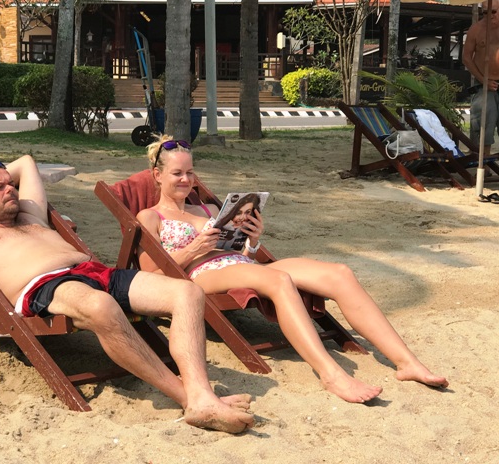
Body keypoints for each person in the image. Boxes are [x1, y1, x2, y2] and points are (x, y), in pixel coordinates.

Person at [0, 155, 254, 434]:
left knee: (187, 292)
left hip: (94, 271)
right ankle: (189, 399)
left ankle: (202, 393)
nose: (10, 189)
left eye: (10, 184)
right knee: (101, 306)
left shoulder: (31, 214)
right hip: (45, 285)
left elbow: (27, 162)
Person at [136, 136, 449, 404]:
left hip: (238, 264)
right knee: (278, 279)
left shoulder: (209, 208)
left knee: (339, 273)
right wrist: (194, 249)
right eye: (177, 173)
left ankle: (407, 363)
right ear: (157, 175)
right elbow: (152, 278)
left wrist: (252, 240)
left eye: (190, 172)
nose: (186, 179)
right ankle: (331, 374)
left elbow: (240, 254)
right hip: (201, 275)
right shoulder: (150, 217)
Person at [463, 0, 499, 158]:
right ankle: (484, 164)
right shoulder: (476, 29)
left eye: (493, 11)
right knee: (484, 126)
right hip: (484, 83)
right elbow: (466, 58)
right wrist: (483, 80)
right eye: (485, 12)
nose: (489, 15)